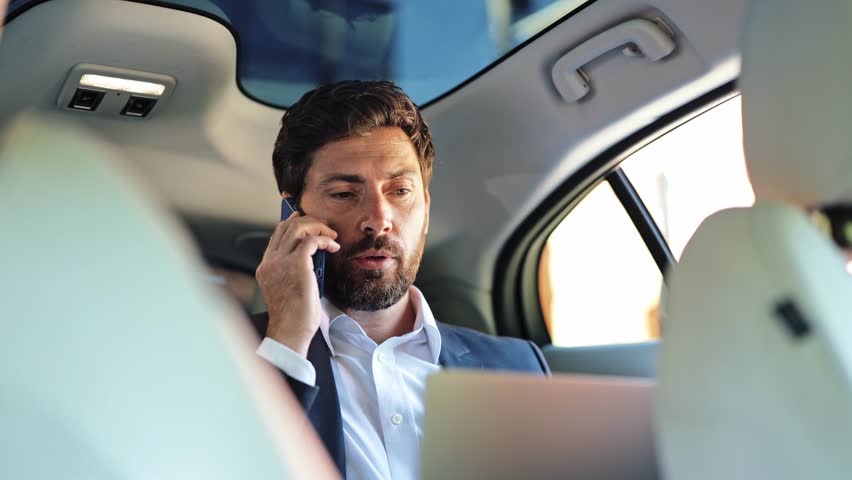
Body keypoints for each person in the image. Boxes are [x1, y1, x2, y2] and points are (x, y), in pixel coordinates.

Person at [251, 80, 550, 480]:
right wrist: (288, 336)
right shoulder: (233, 361)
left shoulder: (518, 367)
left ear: (425, 210)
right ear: (293, 216)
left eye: (400, 191)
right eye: (343, 193)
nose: (379, 218)